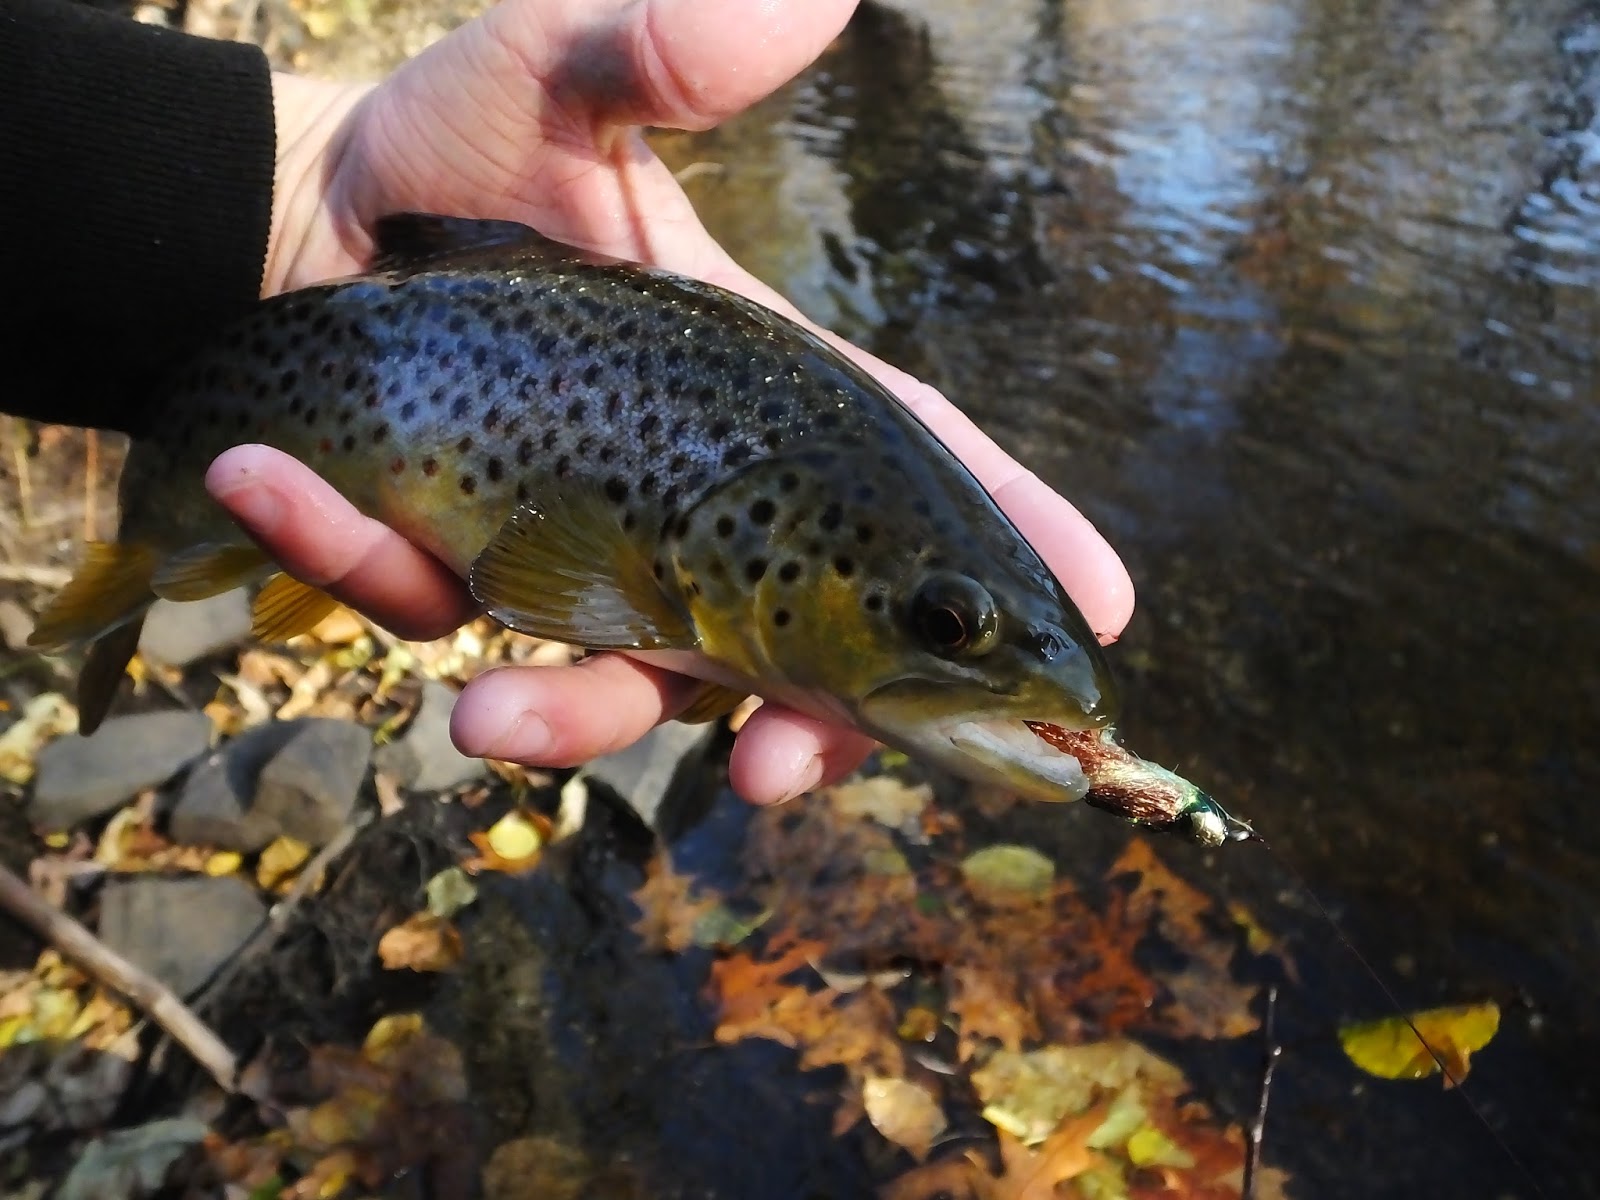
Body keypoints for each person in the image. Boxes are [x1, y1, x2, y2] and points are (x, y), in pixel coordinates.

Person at [0, 0, 1134, 805]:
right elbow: (549, 574)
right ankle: (138, 580)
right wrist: (301, 190)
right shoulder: (715, 549)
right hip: (275, 381)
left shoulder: (805, 488)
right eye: (943, 623)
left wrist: (287, 179)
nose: (951, 641)